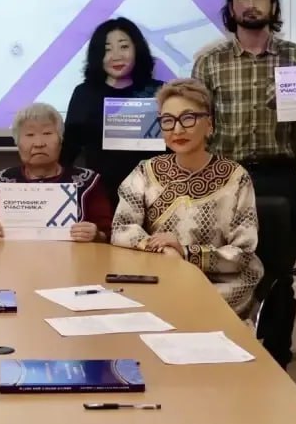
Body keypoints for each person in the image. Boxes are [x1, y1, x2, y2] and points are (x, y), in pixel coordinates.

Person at [192, 0, 296, 369]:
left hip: (278, 180)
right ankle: (223, 362)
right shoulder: (209, 62)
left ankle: (276, 363)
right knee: (221, 272)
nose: (251, 4)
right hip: (222, 182)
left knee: (277, 277)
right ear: (231, 9)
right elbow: (197, 127)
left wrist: (287, 153)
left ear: (273, 6)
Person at [112, 79, 264, 315]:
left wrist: (185, 252)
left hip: (219, 287)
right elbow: (122, 228)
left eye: (188, 118)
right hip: (160, 277)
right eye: (168, 120)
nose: (177, 130)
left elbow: (243, 253)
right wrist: (164, 251)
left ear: (209, 125)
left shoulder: (235, 178)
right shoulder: (146, 171)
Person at [62, 17, 165, 201]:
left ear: (137, 49)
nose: (116, 56)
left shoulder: (159, 91)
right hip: (99, 193)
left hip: (152, 192)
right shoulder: (84, 93)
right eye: (107, 49)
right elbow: (69, 147)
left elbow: (173, 145)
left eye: (124, 47)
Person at [0, 102, 113, 242]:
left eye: (47, 133)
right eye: (30, 135)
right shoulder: (0, 182)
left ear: (60, 139)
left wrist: (96, 234)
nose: (39, 143)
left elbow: (108, 233)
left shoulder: (88, 182)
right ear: (17, 143)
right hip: (13, 255)